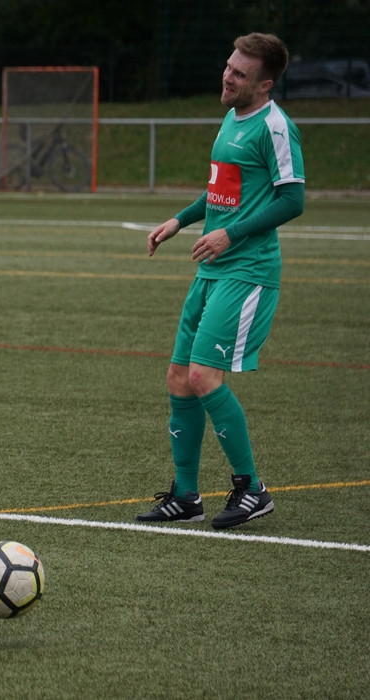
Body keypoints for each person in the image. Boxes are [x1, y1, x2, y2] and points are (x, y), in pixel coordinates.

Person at [136, 32, 304, 529]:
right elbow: (220, 192)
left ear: (265, 83)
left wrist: (229, 236)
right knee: (178, 377)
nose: (228, 77)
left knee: (204, 377)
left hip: (247, 272)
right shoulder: (232, 118)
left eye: (240, 73)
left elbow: (292, 200)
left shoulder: (275, 127)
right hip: (211, 269)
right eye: (228, 67)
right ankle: (186, 495)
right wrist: (179, 221)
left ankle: (252, 489)